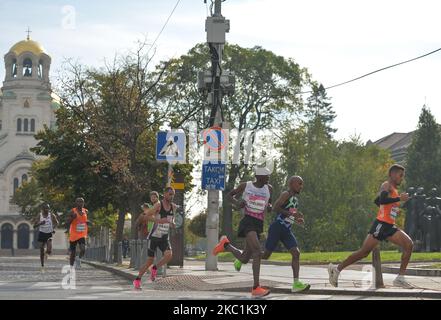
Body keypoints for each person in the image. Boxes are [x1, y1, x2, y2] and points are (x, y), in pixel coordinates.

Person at [328, 164, 414, 288]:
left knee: (408, 244)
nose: (402, 178)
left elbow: (377, 201)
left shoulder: (394, 189)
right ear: (393, 174)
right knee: (364, 252)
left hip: (388, 225)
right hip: (381, 224)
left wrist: (389, 208)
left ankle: (400, 278)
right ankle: (336, 270)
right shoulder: (386, 185)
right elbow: (383, 200)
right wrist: (399, 199)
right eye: (401, 175)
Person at [234, 176, 311, 293]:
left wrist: (297, 218)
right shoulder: (286, 194)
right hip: (277, 228)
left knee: (296, 253)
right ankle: (242, 258)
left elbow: (290, 213)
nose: (301, 186)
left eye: (302, 184)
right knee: (264, 255)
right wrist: (291, 214)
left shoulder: (295, 199)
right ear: (292, 184)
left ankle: (296, 284)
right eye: (299, 183)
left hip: (286, 230)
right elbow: (275, 207)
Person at [213, 167, 273, 298]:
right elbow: (229, 196)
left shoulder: (269, 189)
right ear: (259, 176)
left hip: (259, 224)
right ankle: (256, 287)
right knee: (257, 252)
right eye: (266, 176)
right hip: (248, 222)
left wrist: (269, 207)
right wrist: (237, 203)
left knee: (245, 258)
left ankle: (225, 245)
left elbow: (269, 204)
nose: (269, 178)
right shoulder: (246, 186)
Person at [133, 187, 177, 289]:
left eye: (173, 194)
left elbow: (172, 220)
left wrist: (173, 223)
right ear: (165, 194)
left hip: (164, 237)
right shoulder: (158, 205)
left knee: (169, 255)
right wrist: (159, 221)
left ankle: (155, 268)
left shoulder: (173, 207)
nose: (172, 196)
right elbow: (146, 216)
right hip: (154, 237)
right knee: (149, 261)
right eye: (170, 194)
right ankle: (137, 279)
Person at [32, 203, 59, 272]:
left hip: (49, 233)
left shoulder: (51, 215)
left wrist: (53, 229)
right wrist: (40, 223)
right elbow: (34, 226)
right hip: (42, 233)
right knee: (41, 249)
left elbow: (57, 223)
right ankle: (42, 265)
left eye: (48, 208)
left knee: (49, 250)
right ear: (42, 209)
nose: (47, 209)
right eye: (45, 208)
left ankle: (46, 253)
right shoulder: (39, 215)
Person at [67, 198, 91, 269]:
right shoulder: (72, 211)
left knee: (83, 249)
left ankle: (79, 259)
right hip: (74, 233)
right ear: (76, 203)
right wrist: (72, 218)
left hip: (82, 233)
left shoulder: (86, 211)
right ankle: (71, 267)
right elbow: (68, 222)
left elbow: (85, 220)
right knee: (73, 253)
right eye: (79, 202)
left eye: (82, 202)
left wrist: (88, 222)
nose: (80, 203)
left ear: (83, 203)